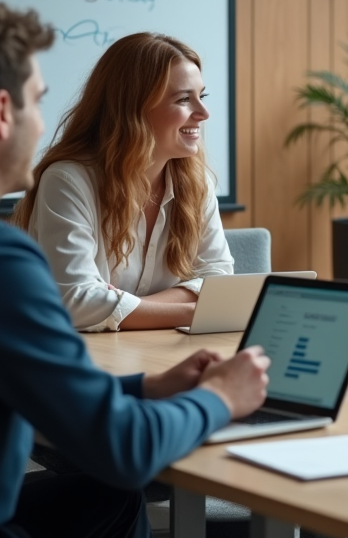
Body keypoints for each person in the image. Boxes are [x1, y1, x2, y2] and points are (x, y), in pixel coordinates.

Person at [0, 0, 270, 538]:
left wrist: (146, 386)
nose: (45, 122)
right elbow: (127, 448)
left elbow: (16, 384)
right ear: (0, 113)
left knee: (108, 500)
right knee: (118, 482)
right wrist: (220, 396)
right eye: (37, 101)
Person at [14, 33, 233, 331]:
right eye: (184, 99)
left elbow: (220, 279)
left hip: (160, 352)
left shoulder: (198, 183)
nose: (203, 113)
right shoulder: (67, 181)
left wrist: (120, 303)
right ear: (133, 108)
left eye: (201, 96)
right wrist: (192, 312)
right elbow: (77, 303)